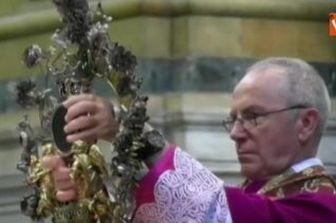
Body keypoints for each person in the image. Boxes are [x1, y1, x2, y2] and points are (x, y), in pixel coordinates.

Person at [43, 57, 336, 222]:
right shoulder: (257, 195)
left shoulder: (323, 209)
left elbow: (218, 211)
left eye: (254, 116)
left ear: (306, 124)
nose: (235, 133)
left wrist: (127, 127)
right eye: (233, 119)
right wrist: (86, 194)